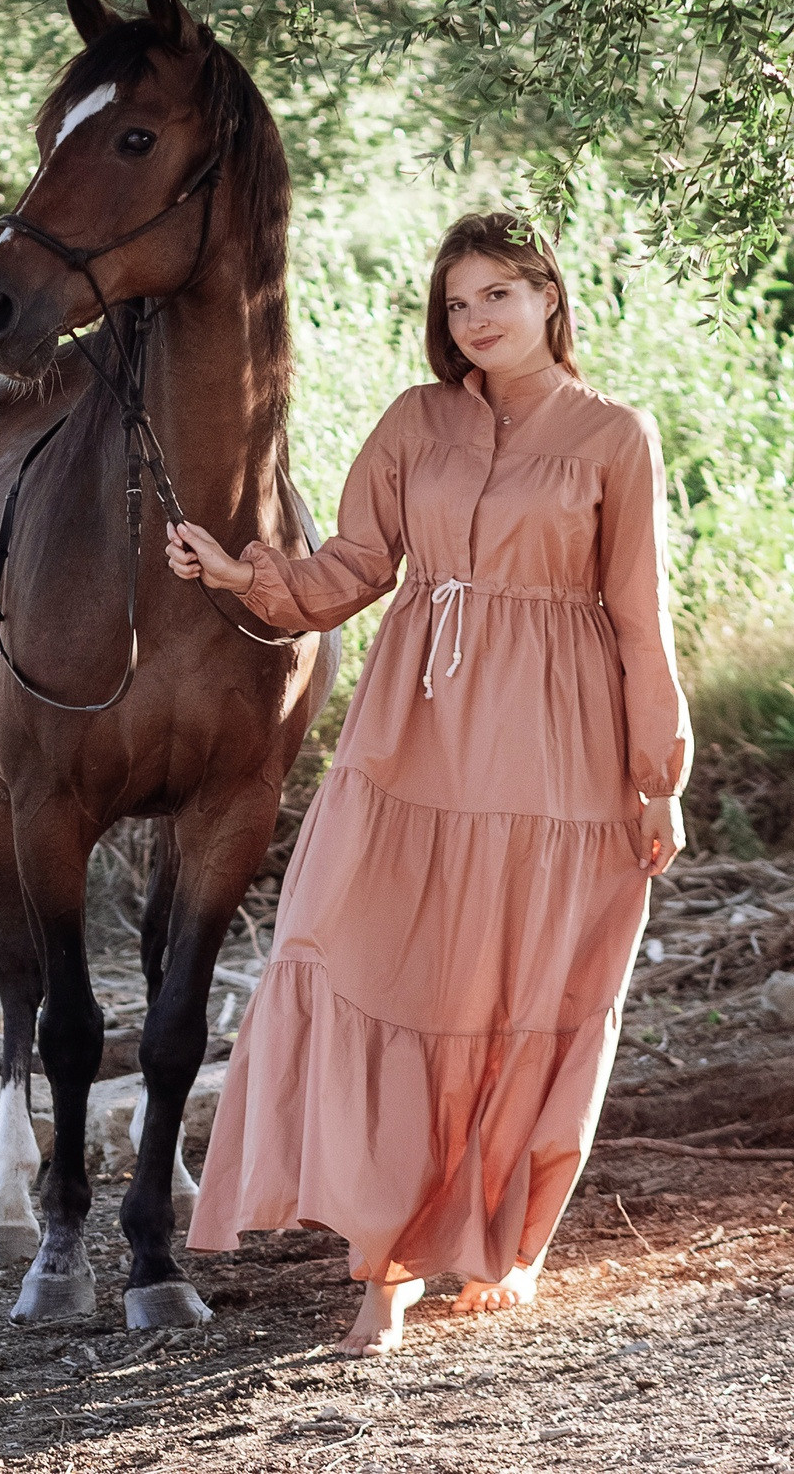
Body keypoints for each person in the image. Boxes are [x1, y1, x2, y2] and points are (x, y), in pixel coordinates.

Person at [163, 211, 691, 1358]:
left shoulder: (614, 435)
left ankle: (487, 1240)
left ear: (550, 295)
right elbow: (354, 566)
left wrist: (658, 774)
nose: (475, 320)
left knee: (516, 987)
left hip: (557, 753)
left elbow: (639, 613)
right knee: (360, 953)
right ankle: (384, 1263)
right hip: (415, 737)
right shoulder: (416, 419)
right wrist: (239, 573)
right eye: (457, 303)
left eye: (497, 294)